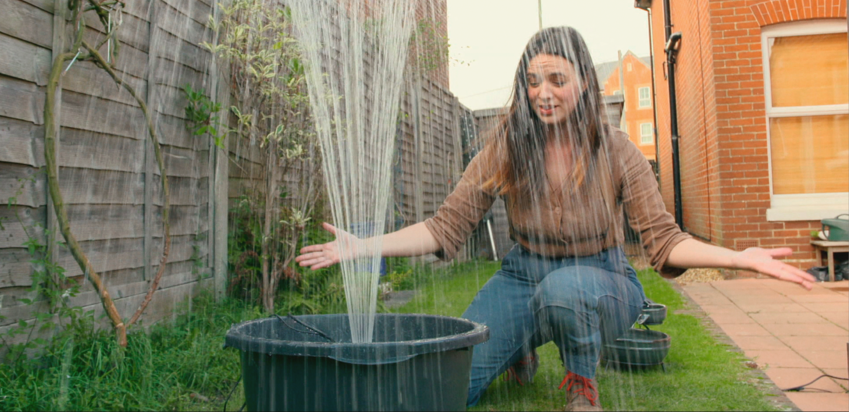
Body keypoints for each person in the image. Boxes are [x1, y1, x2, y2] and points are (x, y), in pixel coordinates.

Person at [297, 27, 816, 411]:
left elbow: (664, 240)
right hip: (523, 275)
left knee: (565, 291)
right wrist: (363, 246)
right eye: (533, 81)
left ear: (585, 82)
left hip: (604, 280)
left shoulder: (616, 150)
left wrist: (738, 258)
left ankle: (581, 386)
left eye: (556, 80)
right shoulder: (507, 147)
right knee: (447, 389)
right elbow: (444, 227)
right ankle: (519, 346)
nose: (542, 92)